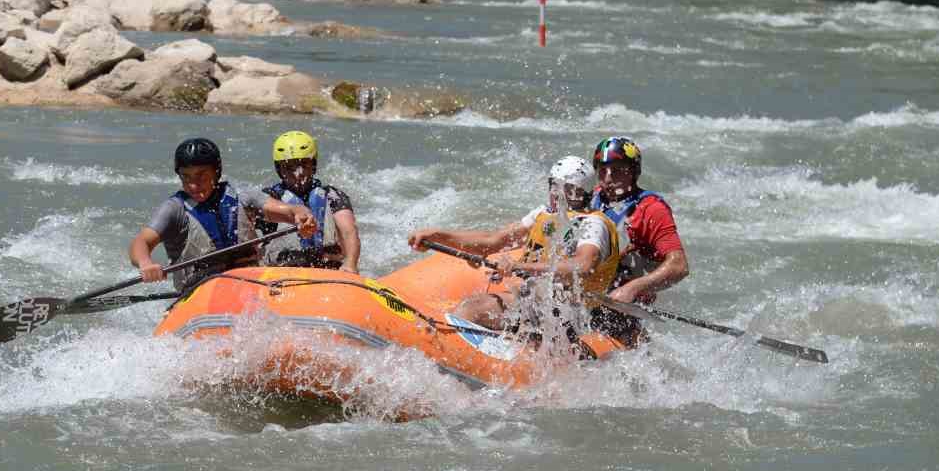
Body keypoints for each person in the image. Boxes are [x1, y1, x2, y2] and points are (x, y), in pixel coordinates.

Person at [407, 157, 621, 331]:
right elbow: (491, 242)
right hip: (536, 298)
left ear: (586, 193)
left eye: (570, 190)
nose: (559, 195)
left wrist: (520, 266)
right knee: (475, 303)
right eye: (555, 187)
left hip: (571, 311)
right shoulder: (543, 214)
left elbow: (583, 266)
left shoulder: (594, 224)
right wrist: (437, 235)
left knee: (472, 309)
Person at [129, 137, 317, 291]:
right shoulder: (174, 209)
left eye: (201, 175)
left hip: (250, 284)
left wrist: (301, 215)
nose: (193, 184)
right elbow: (141, 242)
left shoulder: (241, 196)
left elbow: (287, 211)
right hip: (199, 290)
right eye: (186, 176)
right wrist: (145, 264)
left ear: (216, 171)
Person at [588, 136, 688, 305]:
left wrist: (631, 289)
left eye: (617, 170)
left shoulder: (652, 209)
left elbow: (679, 266)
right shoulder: (593, 197)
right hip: (592, 288)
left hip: (627, 299)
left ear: (634, 172)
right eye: (603, 171)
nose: (608, 179)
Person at [253, 130, 361, 274]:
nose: (298, 172)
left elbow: (349, 231)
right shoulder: (268, 198)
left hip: (327, 268)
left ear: (314, 165)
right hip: (282, 271)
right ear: (279, 169)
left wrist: (351, 264)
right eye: (288, 166)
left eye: (304, 164)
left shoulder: (333, 196)